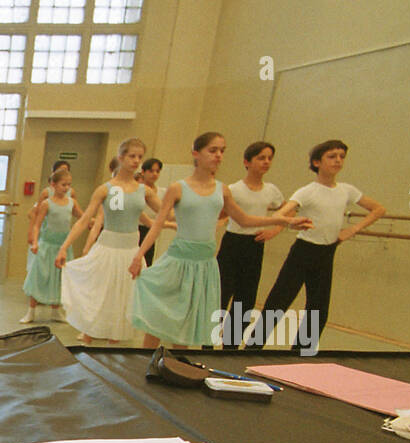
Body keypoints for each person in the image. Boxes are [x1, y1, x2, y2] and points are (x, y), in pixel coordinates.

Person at [129, 132, 309, 349]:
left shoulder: (222, 189)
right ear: (196, 153)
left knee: (188, 322)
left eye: (222, 151)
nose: (218, 155)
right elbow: (158, 223)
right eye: (213, 150)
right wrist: (139, 255)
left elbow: (243, 219)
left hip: (204, 263)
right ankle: (142, 365)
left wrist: (283, 221)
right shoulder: (178, 188)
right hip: (178, 259)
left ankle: (174, 367)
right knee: (161, 317)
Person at [259, 139, 385, 351]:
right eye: (332, 156)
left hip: (326, 253)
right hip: (303, 251)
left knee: (318, 309)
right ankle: (253, 348)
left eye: (341, 156)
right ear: (317, 162)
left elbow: (378, 209)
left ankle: (300, 354)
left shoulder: (347, 190)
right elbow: (281, 213)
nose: (338, 160)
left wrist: (351, 230)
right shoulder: (307, 191)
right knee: (278, 302)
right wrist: (292, 222)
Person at [54, 139, 161, 344]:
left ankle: (113, 351)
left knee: (124, 302)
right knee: (100, 297)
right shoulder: (108, 189)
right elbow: (85, 220)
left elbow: (167, 213)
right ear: (121, 158)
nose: (136, 160)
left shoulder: (144, 191)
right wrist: (64, 247)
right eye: (132, 156)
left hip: (131, 252)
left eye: (140, 157)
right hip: (108, 249)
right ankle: (87, 344)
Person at [214, 141, 285, 346]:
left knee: (245, 299)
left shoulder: (271, 190)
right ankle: (207, 344)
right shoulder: (234, 189)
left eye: (269, 158)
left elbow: (288, 210)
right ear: (247, 161)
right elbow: (220, 215)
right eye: (261, 158)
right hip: (232, 244)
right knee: (221, 294)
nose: (266, 162)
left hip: (255, 246)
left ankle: (231, 344)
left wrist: (275, 230)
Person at [21, 168, 82, 323]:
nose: (66, 188)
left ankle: (56, 311)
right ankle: (31, 311)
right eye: (63, 184)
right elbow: (37, 224)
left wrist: (96, 222)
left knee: (59, 278)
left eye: (69, 184)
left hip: (63, 247)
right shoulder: (47, 204)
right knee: (40, 276)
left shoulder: (71, 203)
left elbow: (83, 217)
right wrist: (35, 241)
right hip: (47, 245)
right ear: (53, 185)